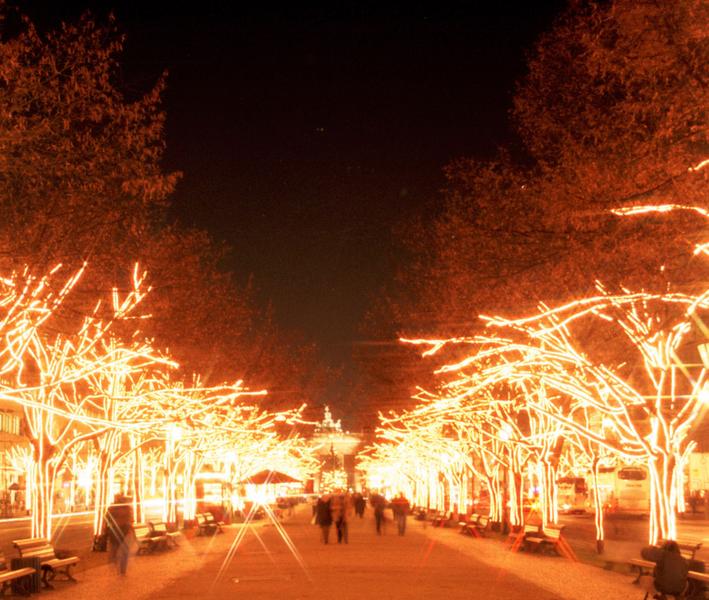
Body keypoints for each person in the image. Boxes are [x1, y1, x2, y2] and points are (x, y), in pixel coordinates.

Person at [104, 494, 134, 576]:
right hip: (123, 531)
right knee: (124, 551)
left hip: (115, 531)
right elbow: (130, 519)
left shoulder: (111, 508)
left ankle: (115, 564)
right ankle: (122, 571)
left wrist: (107, 528)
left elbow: (107, 519)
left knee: (116, 549)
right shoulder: (127, 507)